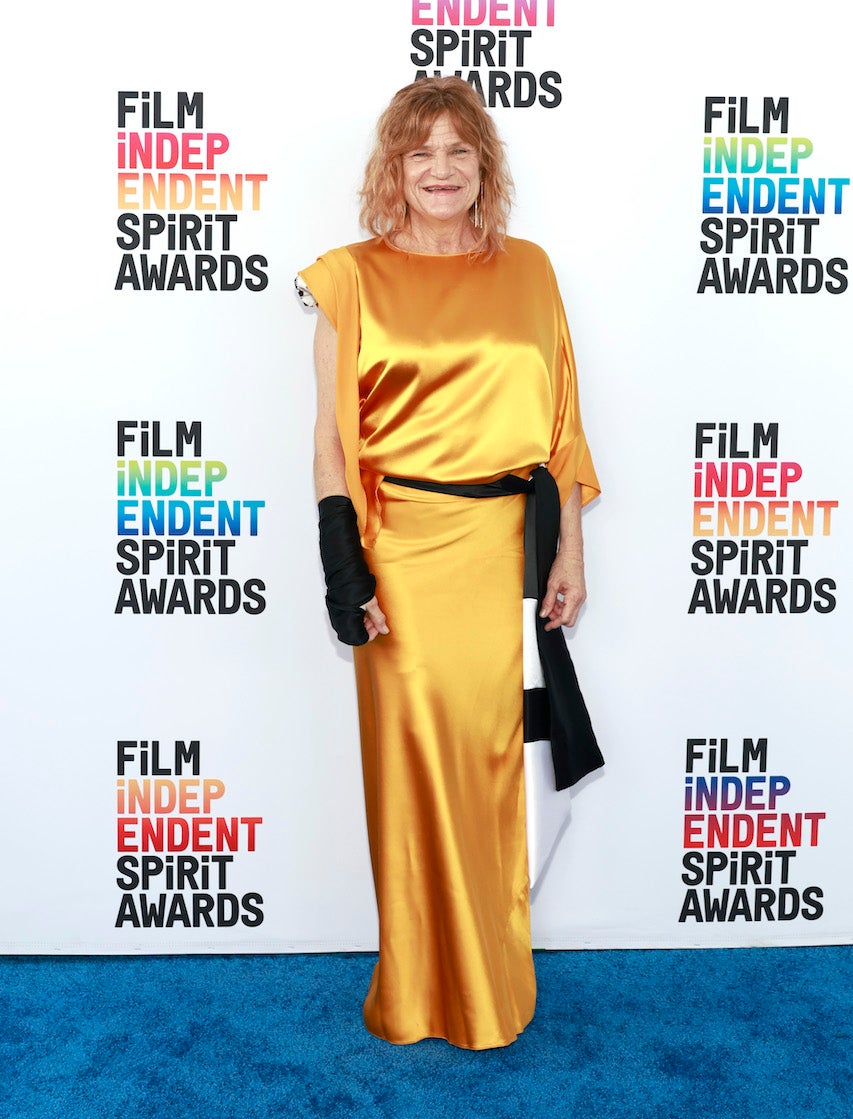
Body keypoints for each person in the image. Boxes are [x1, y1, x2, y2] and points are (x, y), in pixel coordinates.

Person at [296, 76, 601, 1050]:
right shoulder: (349, 277)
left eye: (458, 151)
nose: (439, 169)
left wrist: (569, 550)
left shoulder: (530, 269)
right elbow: (330, 439)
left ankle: (491, 986)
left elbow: (561, 429)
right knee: (417, 774)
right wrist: (344, 567)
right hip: (404, 557)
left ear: (483, 166)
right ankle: (420, 990)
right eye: (419, 152)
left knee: (496, 767)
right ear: (392, 167)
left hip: (509, 555)